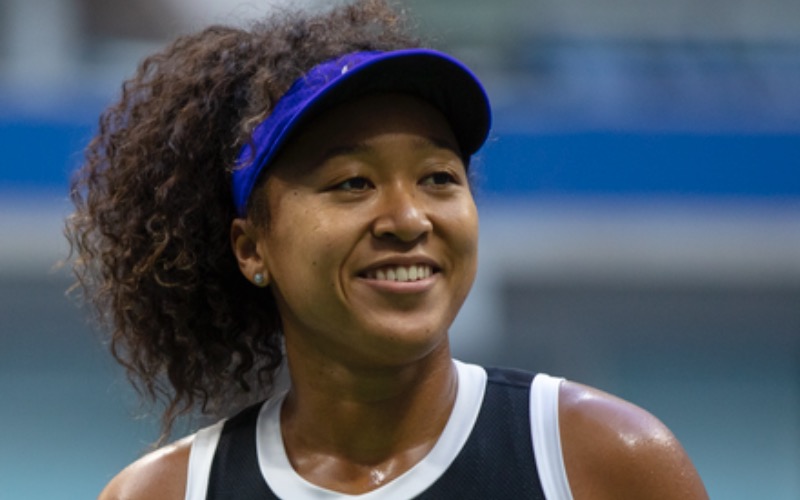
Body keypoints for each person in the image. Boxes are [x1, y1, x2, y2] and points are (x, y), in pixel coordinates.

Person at [66, 1, 708, 498]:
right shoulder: (165, 493)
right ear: (251, 248)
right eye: (353, 183)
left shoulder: (605, 461)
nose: (408, 219)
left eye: (438, 178)